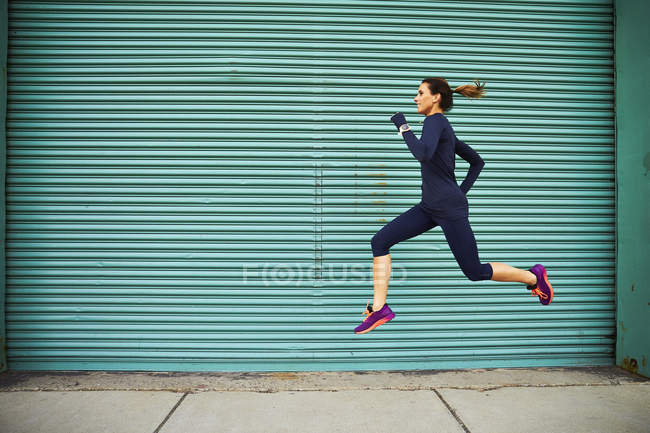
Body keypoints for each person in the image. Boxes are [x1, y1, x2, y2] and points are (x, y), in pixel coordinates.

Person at [354, 77, 553, 335]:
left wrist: (402, 126)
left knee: (474, 271)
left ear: (435, 97)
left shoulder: (435, 121)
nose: (416, 98)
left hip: (448, 210)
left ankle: (535, 277)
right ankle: (380, 309)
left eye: (420, 93)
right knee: (379, 241)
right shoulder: (442, 130)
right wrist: (458, 192)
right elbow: (476, 161)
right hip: (429, 208)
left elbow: (422, 153)